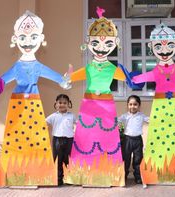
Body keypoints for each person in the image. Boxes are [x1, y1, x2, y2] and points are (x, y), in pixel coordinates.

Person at [0, 11, 70, 186]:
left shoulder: (37, 66)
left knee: (36, 136)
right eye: (23, 38)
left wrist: (63, 81)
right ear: (16, 39)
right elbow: (2, 80)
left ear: (40, 38)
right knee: (15, 134)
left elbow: (53, 75)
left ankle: (36, 173)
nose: (28, 42)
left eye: (33, 37)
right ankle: (15, 172)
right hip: (17, 103)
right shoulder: (17, 66)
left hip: (33, 102)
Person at [120, 23, 175, 186]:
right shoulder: (156, 71)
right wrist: (132, 78)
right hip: (160, 106)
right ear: (152, 48)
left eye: (169, 46)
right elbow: (144, 77)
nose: (164, 51)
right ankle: (155, 172)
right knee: (158, 137)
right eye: (159, 46)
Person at [63, 7, 126, 187]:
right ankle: (81, 175)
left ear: (115, 44)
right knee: (86, 137)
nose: (101, 48)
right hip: (89, 105)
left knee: (107, 139)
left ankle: (109, 176)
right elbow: (71, 77)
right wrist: (68, 77)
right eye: (96, 43)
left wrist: (136, 78)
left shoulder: (113, 68)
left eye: (107, 44)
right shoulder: (89, 68)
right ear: (89, 44)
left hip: (106, 106)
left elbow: (128, 78)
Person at [46, 94, 76, 186]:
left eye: (64, 103)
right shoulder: (53, 116)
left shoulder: (71, 116)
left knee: (68, 159)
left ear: (68, 104)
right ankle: (58, 179)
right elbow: (44, 122)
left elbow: (78, 123)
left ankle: (68, 178)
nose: (62, 104)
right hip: (57, 140)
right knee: (58, 159)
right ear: (56, 104)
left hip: (69, 140)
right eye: (60, 102)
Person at [118, 95, 149, 184]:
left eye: (135, 104)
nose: (133, 106)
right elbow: (116, 120)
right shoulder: (125, 116)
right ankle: (124, 176)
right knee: (126, 159)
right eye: (130, 104)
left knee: (138, 159)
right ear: (127, 105)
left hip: (138, 140)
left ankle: (138, 177)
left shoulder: (141, 116)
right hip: (127, 140)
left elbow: (150, 120)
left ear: (139, 105)